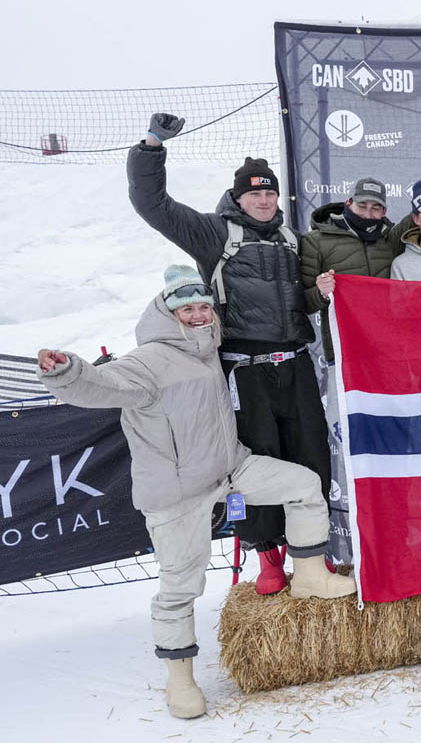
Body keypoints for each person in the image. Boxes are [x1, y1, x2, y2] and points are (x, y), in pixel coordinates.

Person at [36, 266, 355, 720]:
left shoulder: (208, 350)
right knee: (181, 585)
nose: (199, 314)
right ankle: (179, 678)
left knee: (303, 486)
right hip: (177, 493)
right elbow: (100, 385)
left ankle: (309, 577)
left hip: (230, 468)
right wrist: (67, 371)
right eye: (187, 308)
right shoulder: (147, 361)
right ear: (168, 314)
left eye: (204, 305)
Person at [128, 113, 329, 595]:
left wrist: (320, 294)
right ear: (238, 198)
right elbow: (152, 204)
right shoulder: (213, 233)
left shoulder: (292, 239)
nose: (263, 200)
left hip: (295, 365)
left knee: (311, 456)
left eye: (270, 193)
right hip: (243, 372)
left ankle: (311, 562)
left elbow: (300, 301)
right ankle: (268, 558)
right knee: (253, 462)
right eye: (254, 193)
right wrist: (152, 146)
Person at [302, 135, 421, 360]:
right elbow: (304, 302)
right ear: (348, 203)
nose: (368, 213)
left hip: (388, 350)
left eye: (376, 208)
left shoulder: (389, 239)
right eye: (362, 206)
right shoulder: (316, 240)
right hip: (344, 354)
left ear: (384, 212)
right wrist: (322, 292)